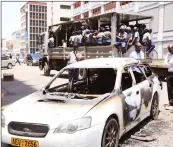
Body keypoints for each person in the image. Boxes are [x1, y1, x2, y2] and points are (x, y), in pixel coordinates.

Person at [164, 44, 173, 111]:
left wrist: (169, 63)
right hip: (169, 73)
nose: (169, 50)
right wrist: (170, 63)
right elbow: (165, 64)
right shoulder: (168, 55)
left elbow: (168, 64)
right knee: (169, 88)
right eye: (168, 49)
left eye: (170, 49)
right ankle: (170, 102)